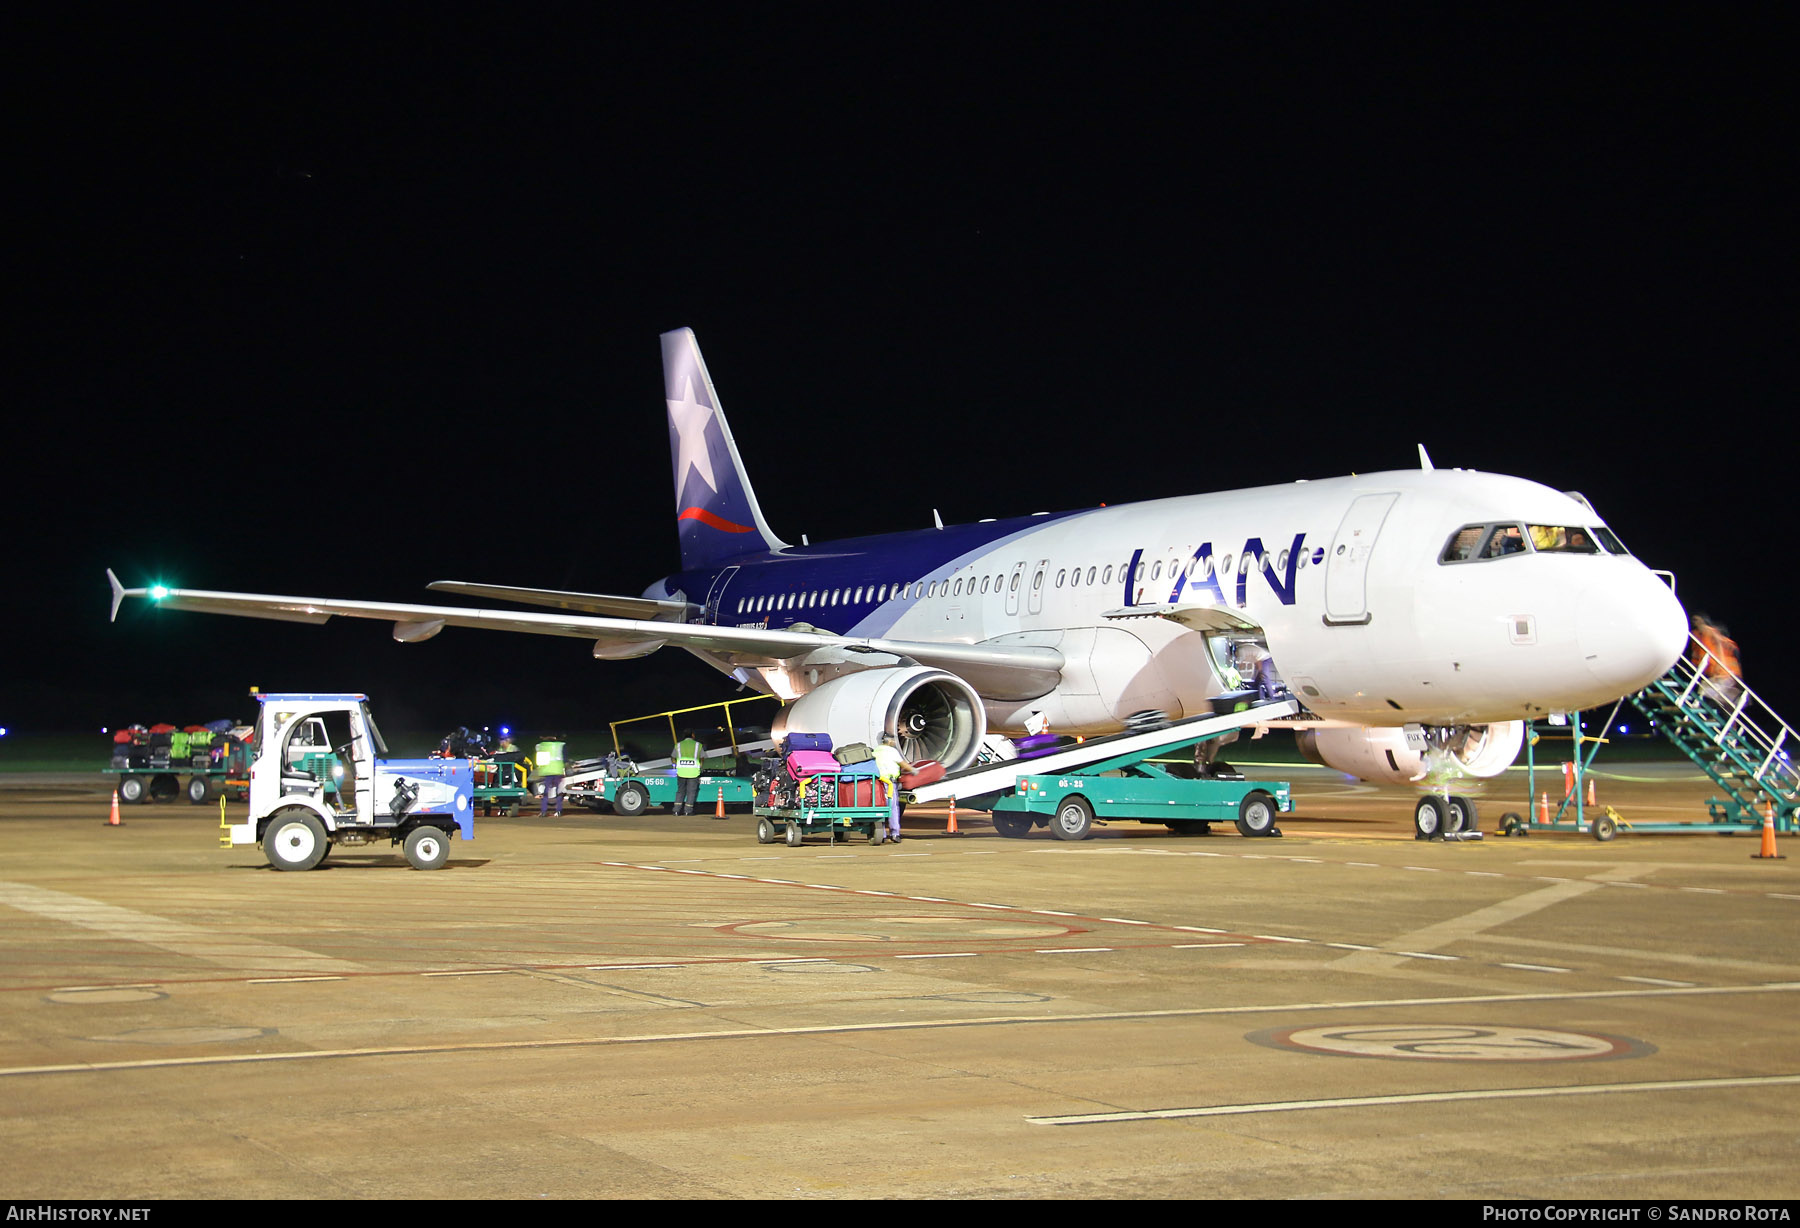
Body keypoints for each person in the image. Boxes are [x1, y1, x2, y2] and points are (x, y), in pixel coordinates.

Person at [1690, 615, 1744, 708]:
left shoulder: (1722, 641)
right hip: (1722, 672)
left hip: (1726, 673)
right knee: (1710, 689)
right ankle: (1733, 698)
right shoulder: (1699, 636)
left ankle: (1734, 698)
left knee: (1708, 689)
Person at [870, 732, 915, 842]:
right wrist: (914, 771)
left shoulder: (876, 751)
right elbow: (903, 764)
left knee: (880, 807)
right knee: (893, 807)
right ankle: (895, 833)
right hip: (889, 783)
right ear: (889, 741)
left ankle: (882, 835)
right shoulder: (892, 751)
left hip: (877, 783)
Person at [672, 730, 703, 816]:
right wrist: (700, 766)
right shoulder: (698, 745)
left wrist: (677, 764)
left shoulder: (678, 745)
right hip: (693, 773)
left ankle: (676, 810)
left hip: (681, 772)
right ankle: (687, 811)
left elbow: (673, 757)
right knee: (691, 792)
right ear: (693, 735)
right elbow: (702, 757)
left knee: (680, 791)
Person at [535, 735, 566, 817]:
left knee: (545, 793)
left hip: (546, 771)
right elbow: (565, 757)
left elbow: (539, 760)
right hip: (558, 771)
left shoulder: (540, 746)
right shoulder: (560, 745)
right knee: (559, 792)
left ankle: (543, 812)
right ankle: (559, 811)